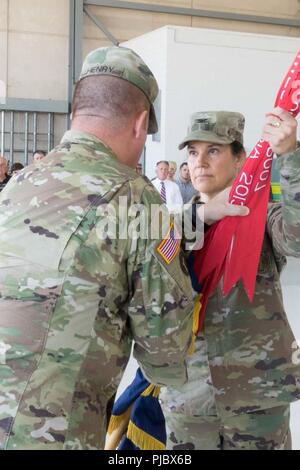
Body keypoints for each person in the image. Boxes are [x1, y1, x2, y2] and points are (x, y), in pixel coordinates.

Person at [0, 48, 248, 451]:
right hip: (52, 427)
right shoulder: (135, 196)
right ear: (139, 123)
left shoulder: (19, 184)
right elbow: (164, 350)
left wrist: (193, 219)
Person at [160, 110, 300, 450]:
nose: (200, 162)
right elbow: (130, 241)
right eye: (193, 152)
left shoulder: (260, 215)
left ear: (240, 159)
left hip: (256, 394)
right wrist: (201, 216)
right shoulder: (170, 222)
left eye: (214, 150)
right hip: (188, 396)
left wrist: (291, 158)